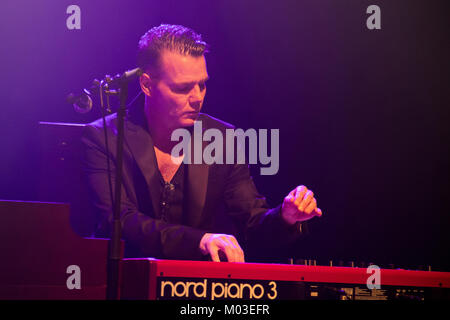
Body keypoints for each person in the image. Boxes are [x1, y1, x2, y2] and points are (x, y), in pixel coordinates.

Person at [81, 24, 322, 263]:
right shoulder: (104, 136)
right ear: (147, 85)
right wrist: (199, 240)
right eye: (183, 87)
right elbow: (119, 220)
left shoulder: (222, 138)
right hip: (120, 282)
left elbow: (251, 224)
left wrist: (285, 217)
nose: (197, 97)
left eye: (202, 84)